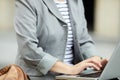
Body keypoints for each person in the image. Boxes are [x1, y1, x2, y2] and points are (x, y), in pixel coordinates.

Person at [14, 0, 108, 80]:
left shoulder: (76, 1)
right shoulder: (28, 1)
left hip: (72, 77)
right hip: (38, 77)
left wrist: (96, 60)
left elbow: (83, 40)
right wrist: (69, 69)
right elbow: (28, 49)